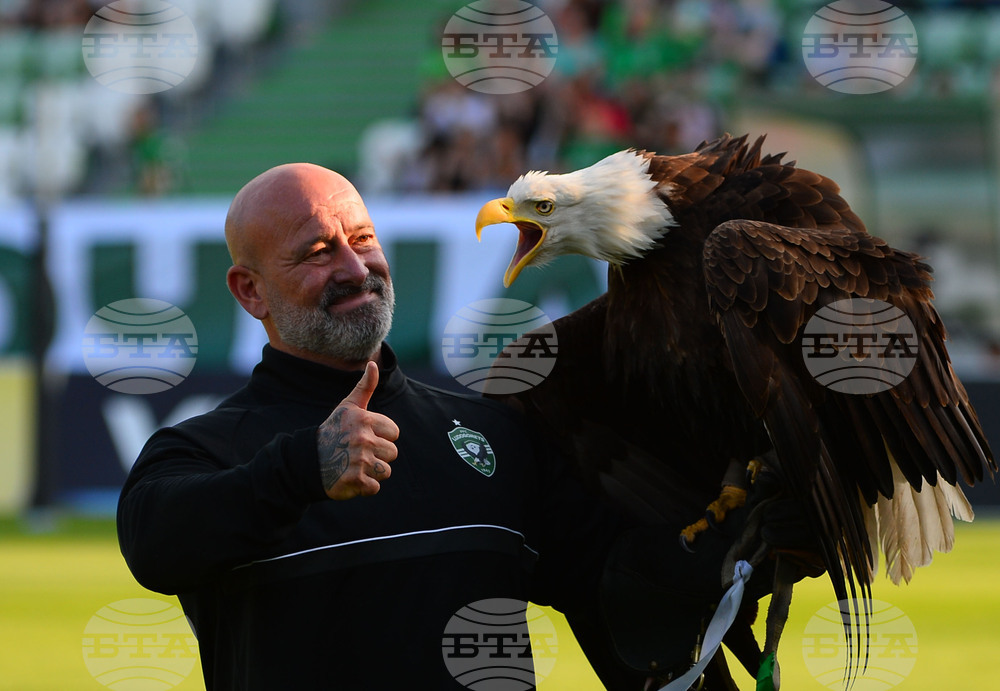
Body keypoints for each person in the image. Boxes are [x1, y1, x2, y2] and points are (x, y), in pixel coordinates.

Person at [117, 163, 780, 690]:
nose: (354, 268)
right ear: (249, 290)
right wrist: (301, 470)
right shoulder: (207, 448)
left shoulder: (497, 432)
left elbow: (620, 580)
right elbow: (155, 539)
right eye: (318, 251)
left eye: (362, 239)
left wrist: (741, 536)